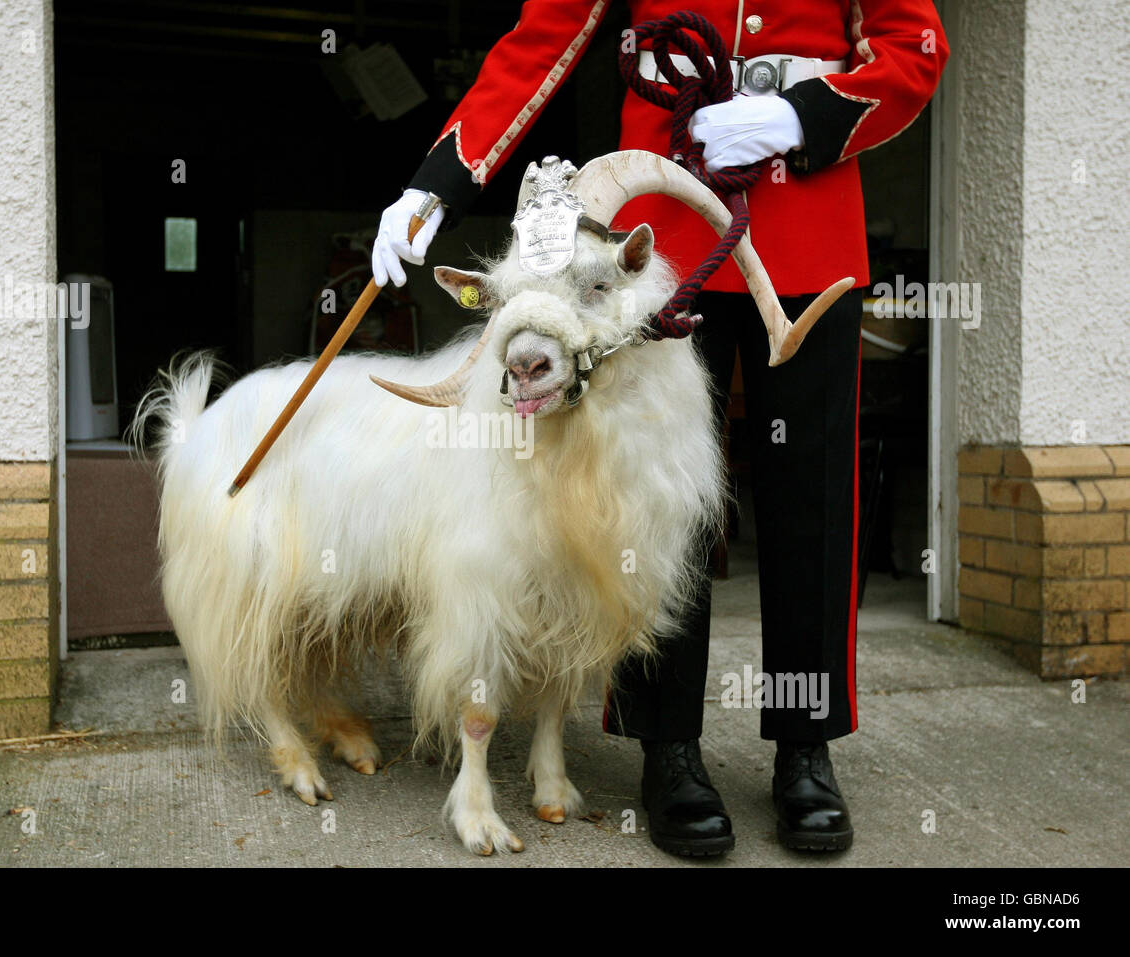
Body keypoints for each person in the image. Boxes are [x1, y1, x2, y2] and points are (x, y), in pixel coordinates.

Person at [372, 1, 948, 856]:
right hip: (661, 239)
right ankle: (666, 747)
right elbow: (547, 35)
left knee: (812, 497)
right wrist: (440, 180)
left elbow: (914, 45)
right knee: (644, 503)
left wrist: (802, 112)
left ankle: (803, 746)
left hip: (810, 226)